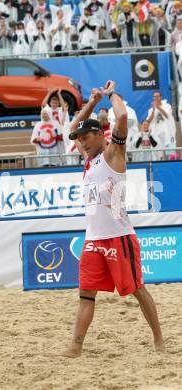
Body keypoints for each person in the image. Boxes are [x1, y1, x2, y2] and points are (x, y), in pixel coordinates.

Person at [60, 80, 164, 358]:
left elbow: (121, 117)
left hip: (119, 237)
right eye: (80, 140)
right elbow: (72, 129)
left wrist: (111, 93)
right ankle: (75, 347)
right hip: (94, 238)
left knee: (137, 289)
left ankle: (159, 340)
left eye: (85, 137)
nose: (80, 142)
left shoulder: (112, 153)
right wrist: (92, 102)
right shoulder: (89, 158)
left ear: (99, 134)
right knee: (85, 294)